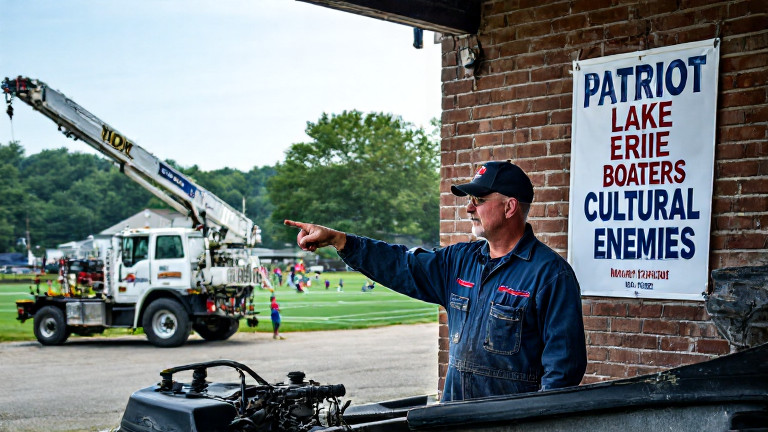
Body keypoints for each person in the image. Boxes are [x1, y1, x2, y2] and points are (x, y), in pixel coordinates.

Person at [284, 160, 587, 402]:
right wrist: (340, 240)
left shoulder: (550, 275)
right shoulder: (458, 262)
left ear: (509, 207)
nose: (469, 208)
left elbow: (561, 375)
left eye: (479, 200)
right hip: (454, 419)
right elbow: (400, 264)